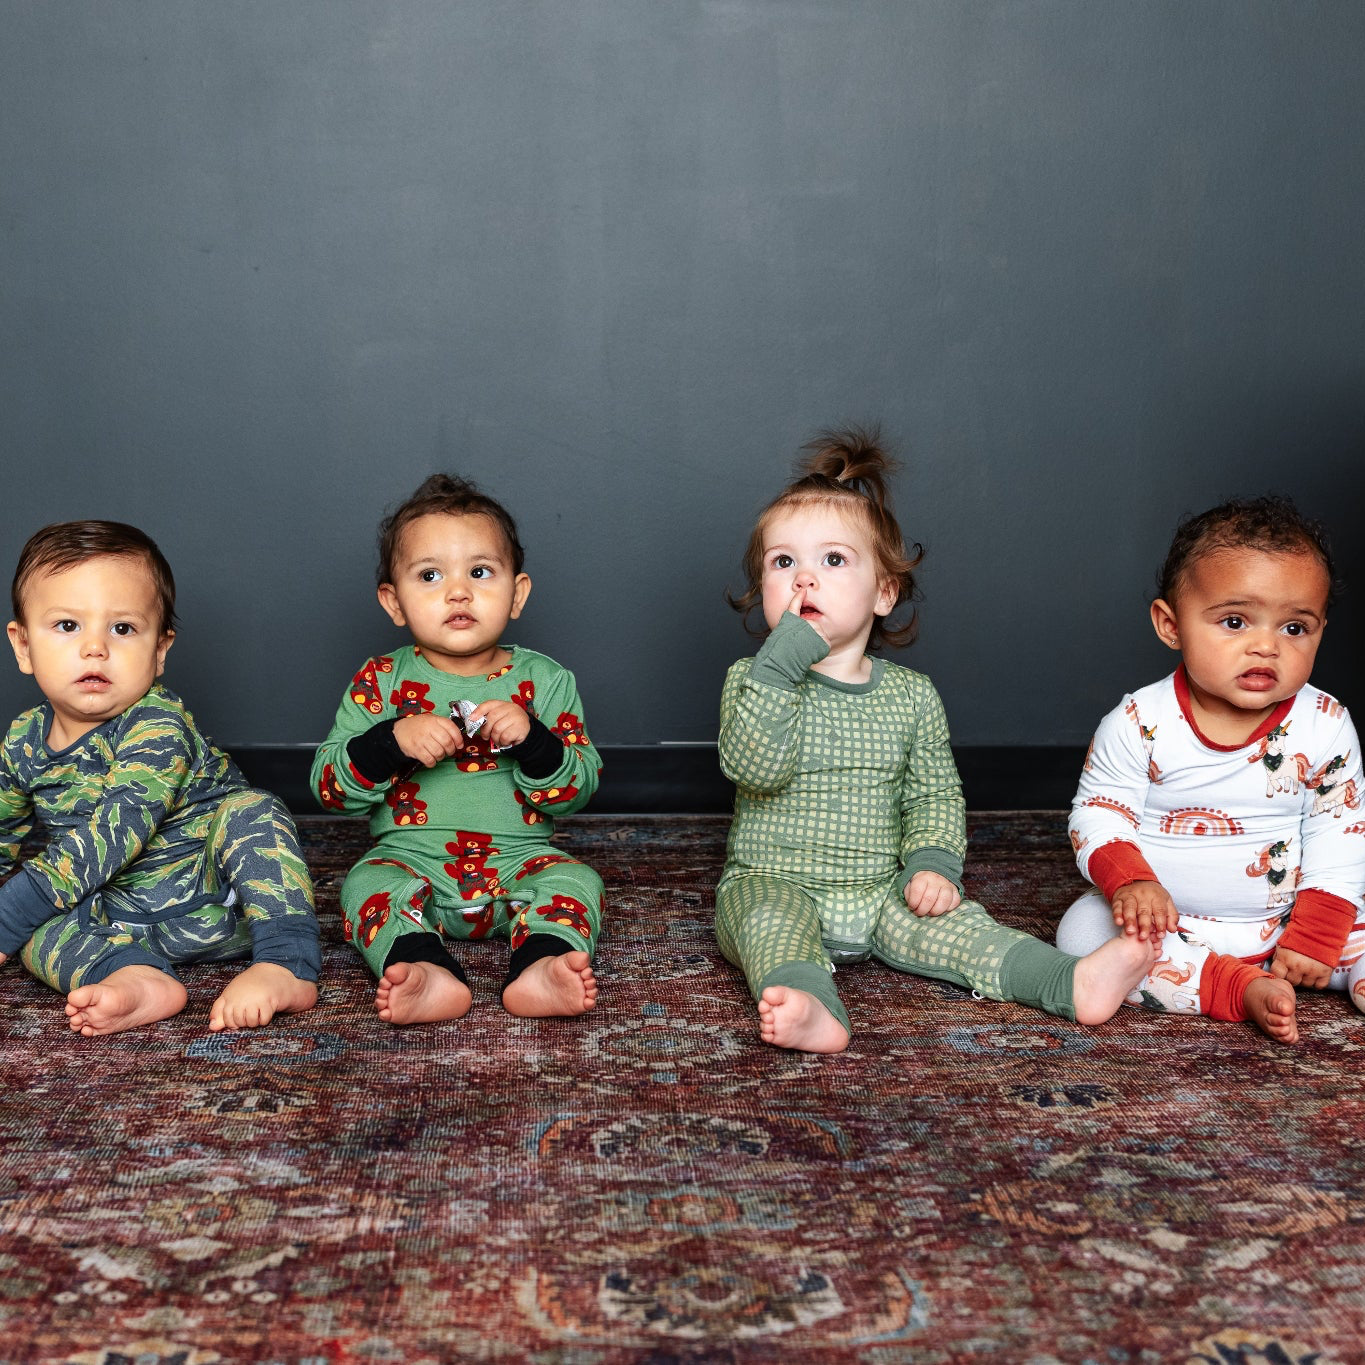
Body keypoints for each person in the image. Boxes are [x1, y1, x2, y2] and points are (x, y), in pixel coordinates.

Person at [716, 428, 1157, 1053]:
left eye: (833, 560)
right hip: (774, 879)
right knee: (767, 927)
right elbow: (754, 768)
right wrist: (780, 664)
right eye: (782, 563)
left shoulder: (912, 696)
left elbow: (934, 797)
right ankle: (813, 1004)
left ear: (884, 593)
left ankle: (1069, 980)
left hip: (879, 887)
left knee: (959, 928)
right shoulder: (753, 679)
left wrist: (931, 865)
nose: (803, 581)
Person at [1057, 495, 1365, 1045]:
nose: (1266, 646)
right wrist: (1134, 882)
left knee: (1352, 909)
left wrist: (1315, 934)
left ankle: (1346, 968)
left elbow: (1339, 831)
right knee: (1082, 931)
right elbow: (1099, 814)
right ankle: (1232, 987)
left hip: (1287, 921)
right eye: (1235, 621)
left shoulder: (1326, 723)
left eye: (1295, 628)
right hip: (1169, 923)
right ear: (1170, 625)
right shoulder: (1138, 721)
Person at [0, 521, 320, 1036]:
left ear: (160, 649)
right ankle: (137, 978)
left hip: (218, 898)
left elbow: (115, 832)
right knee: (37, 932)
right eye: (66, 626)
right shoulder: (22, 741)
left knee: (254, 811)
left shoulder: (157, 723)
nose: (95, 648)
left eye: (122, 628)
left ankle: (286, 962)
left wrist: (6, 914)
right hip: (116, 919)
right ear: (22, 645)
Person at [312, 474, 602, 1025]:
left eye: (480, 572)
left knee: (576, 881)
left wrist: (535, 740)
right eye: (430, 575)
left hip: (521, 864)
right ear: (394, 602)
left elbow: (578, 788)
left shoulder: (546, 679)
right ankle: (422, 966)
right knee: (365, 884)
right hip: (410, 861)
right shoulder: (380, 681)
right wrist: (389, 741)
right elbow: (329, 788)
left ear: (516, 593)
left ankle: (541, 962)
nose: (458, 592)